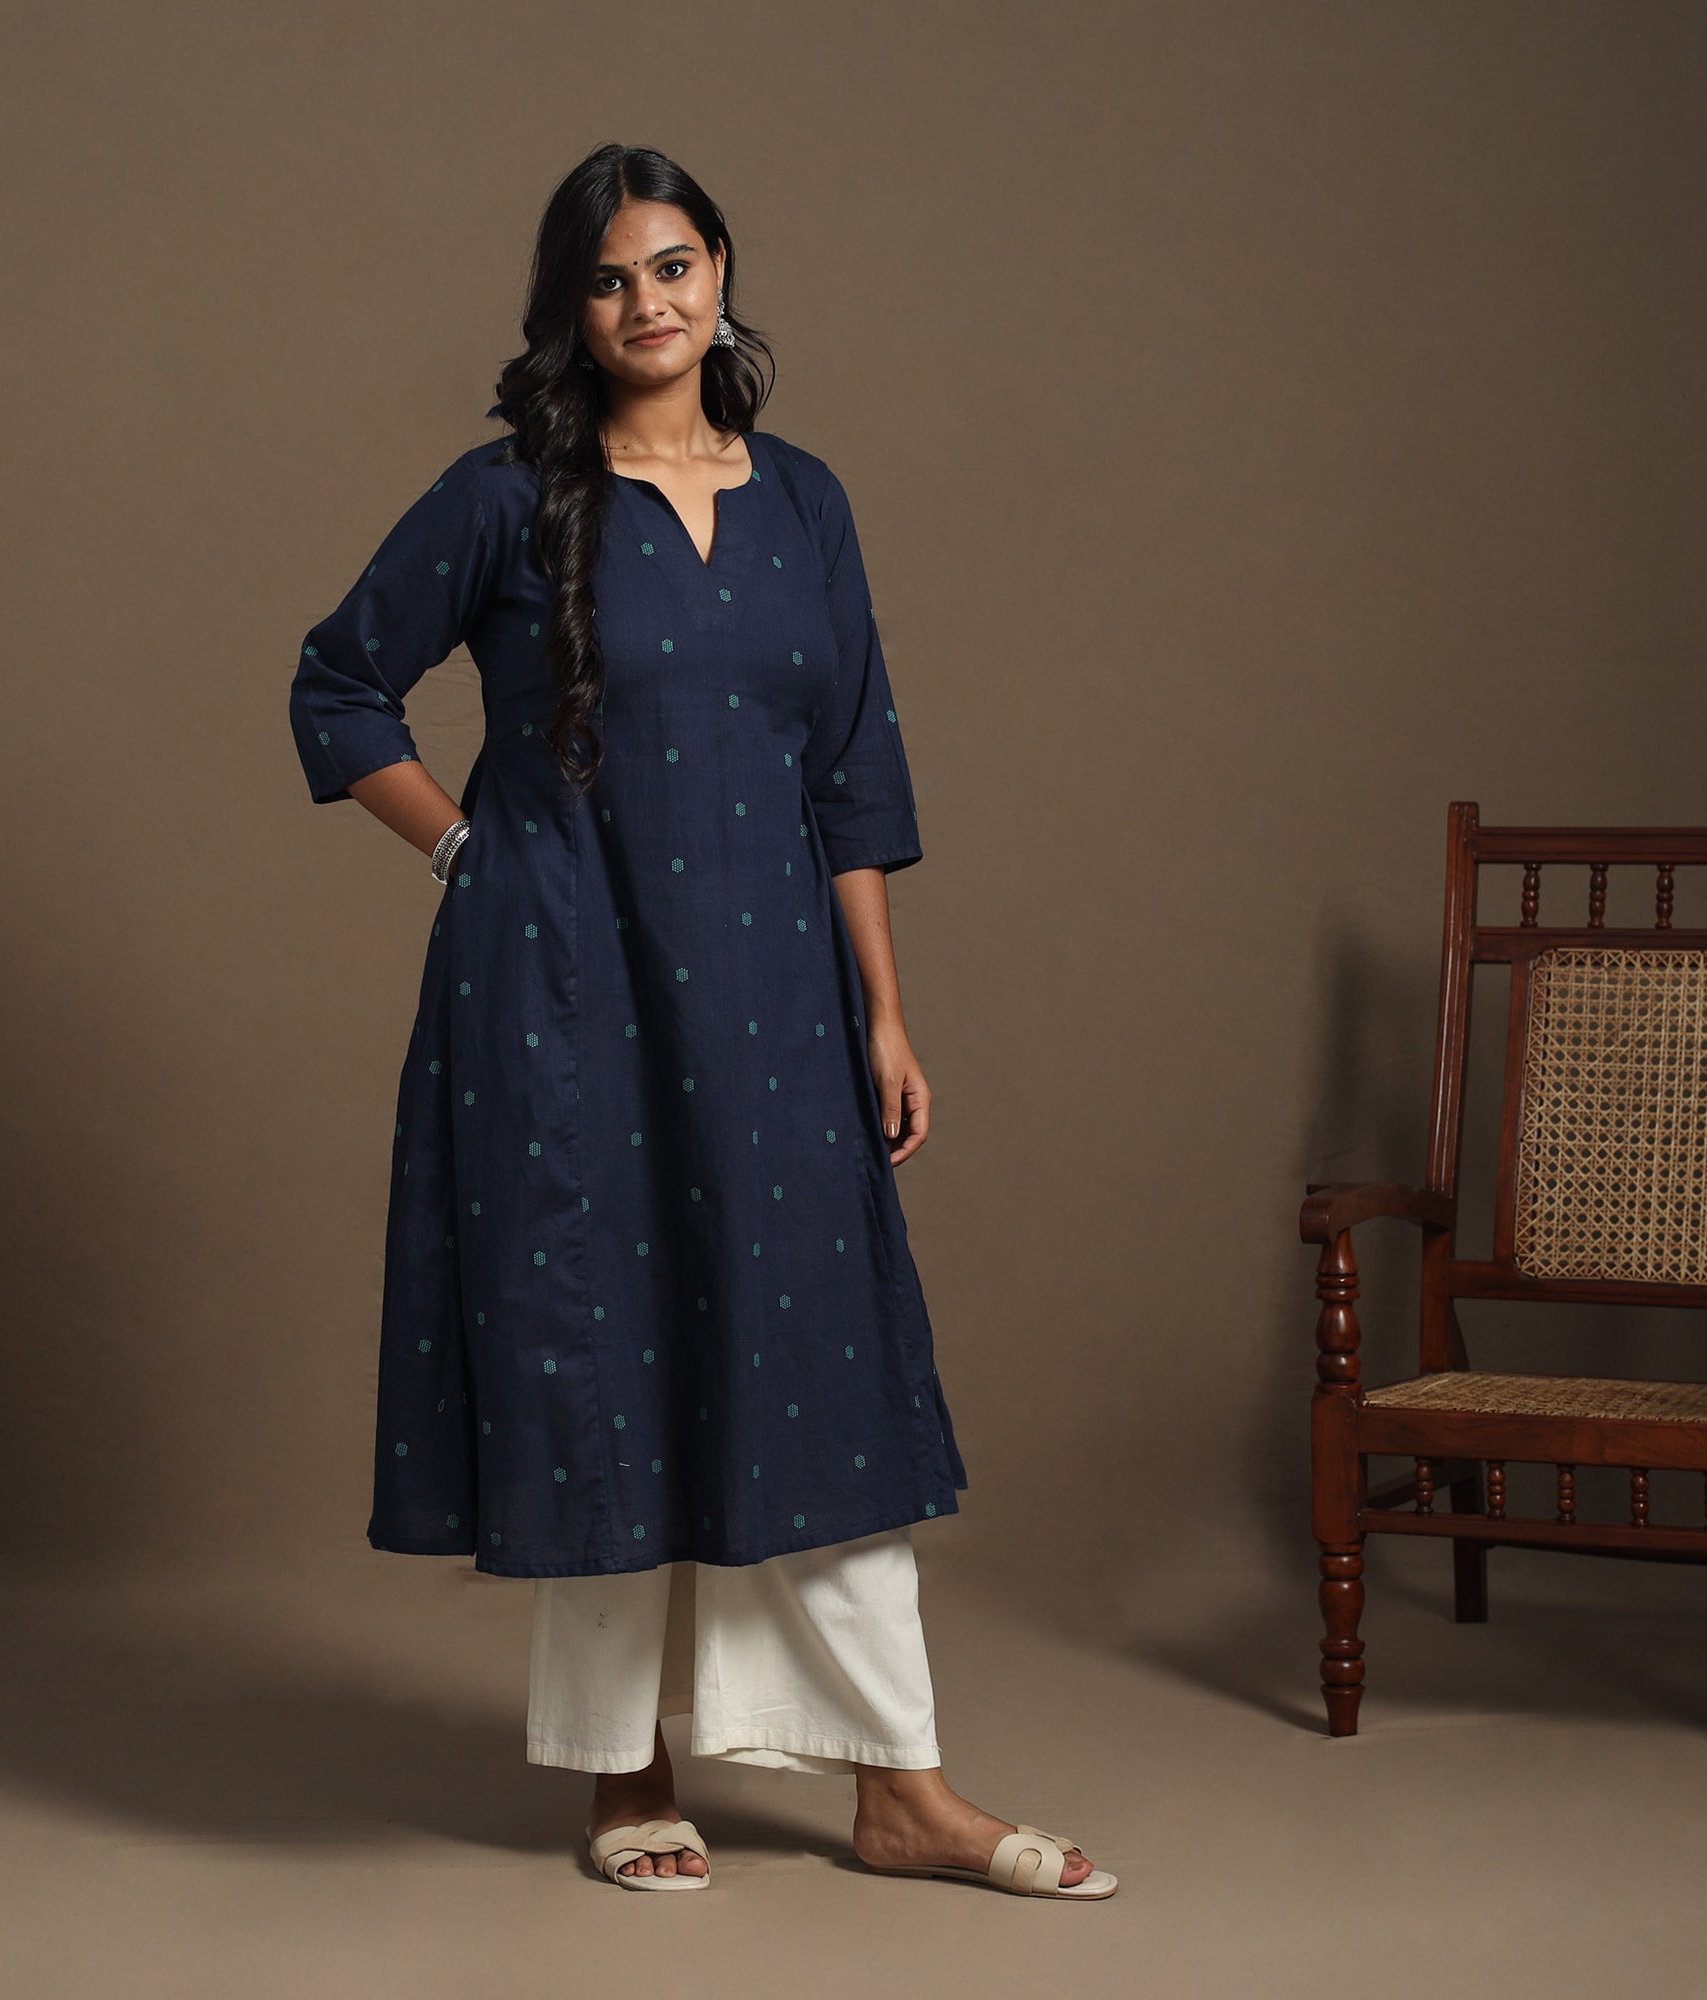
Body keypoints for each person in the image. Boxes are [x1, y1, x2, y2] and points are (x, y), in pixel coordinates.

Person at [287, 143, 1115, 1902]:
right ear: (569, 311)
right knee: (601, 1354)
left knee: (816, 1363)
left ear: (722, 271)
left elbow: (852, 766)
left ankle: (903, 1789)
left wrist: (884, 1012)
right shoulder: (511, 497)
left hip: (774, 1004)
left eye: (672, 266)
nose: (647, 303)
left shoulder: (807, 500)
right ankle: (626, 1775)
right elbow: (338, 683)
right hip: (564, 996)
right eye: (608, 279)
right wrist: (467, 857)